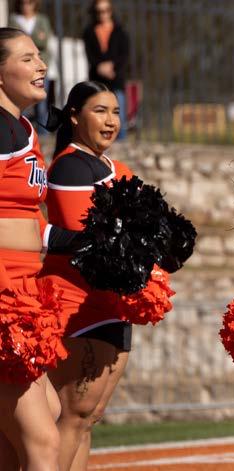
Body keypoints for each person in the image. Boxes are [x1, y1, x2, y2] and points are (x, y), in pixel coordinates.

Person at [39, 81, 132, 470]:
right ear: (75, 117)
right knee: (73, 414)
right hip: (77, 303)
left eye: (115, 112)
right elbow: (88, 238)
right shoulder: (71, 166)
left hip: (113, 301)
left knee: (87, 418)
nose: (111, 121)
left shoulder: (113, 167)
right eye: (100, 111)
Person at [0, 26, 59, 470]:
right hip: (3, 290)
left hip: (26, 287)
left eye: (39, 56)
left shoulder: (23, 129)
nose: (40, 66)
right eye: (26, 58)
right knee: (42, 440)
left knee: (23, 434)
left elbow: (29, 219)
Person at [83, 0, 129, 139]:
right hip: (97, 80)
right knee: (99, 116)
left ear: (111, 11)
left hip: (116, 79)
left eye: (105, 10)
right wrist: (99, 67)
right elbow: (89, 55)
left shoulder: (120, 31)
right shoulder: (89, 32)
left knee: (119, 116)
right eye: (99, 11)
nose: (102, 14)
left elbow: (124, 55)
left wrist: (112, 67)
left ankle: (121, 143)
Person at [8, 0, 53, 130]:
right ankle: (20, 130)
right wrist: (36, 37)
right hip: (21, 68)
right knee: (21, 99)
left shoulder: (42, 19)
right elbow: (12, 43)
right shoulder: (14, 19)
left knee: (41, 102)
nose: (26, 6)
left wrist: (24, 39)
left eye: (29, 3)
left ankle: (43, 132)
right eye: (23, 3)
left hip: (40, 67)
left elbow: (44, 41)